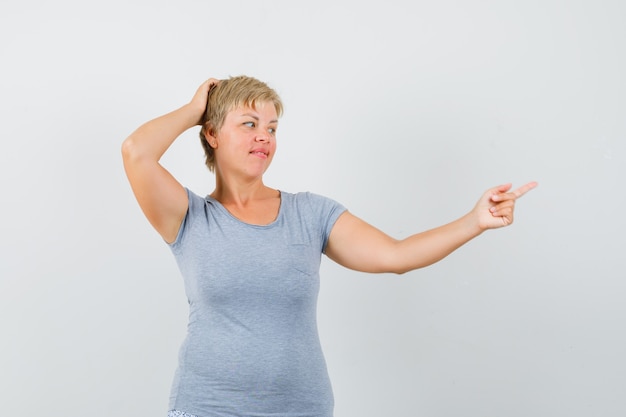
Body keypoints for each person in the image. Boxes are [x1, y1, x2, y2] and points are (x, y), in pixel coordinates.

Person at [121, 75, 537, 417]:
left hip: (300, 408)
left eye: (272, 127)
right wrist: (196, 108)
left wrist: (474, 222)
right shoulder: (189, 216)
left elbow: (395, 256)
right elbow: (136, 152)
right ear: (211, 134)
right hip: (207, 408)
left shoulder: (311, 214)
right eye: (249, 124)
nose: (264, 137)